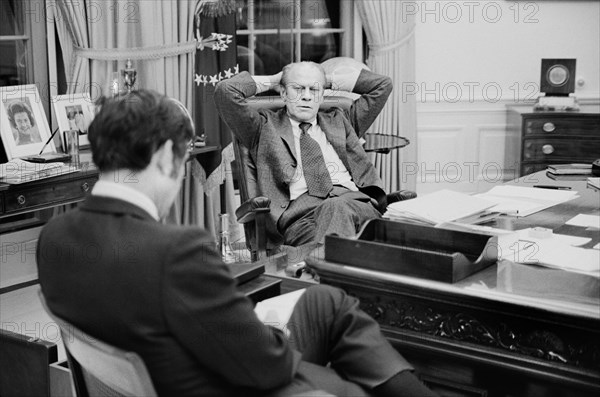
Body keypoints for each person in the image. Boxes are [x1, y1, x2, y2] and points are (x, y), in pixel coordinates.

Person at [36, 89, 437, 397]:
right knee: (348, 383)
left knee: (326, 302)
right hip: (233, 383)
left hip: (193, 359)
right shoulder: (174, 251)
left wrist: (247, 324)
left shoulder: (53, 238)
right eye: (180, 164)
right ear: (162, 157)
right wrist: (266, 330)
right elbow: (264, 368)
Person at [214, 60, 393, 255]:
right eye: (298, 88)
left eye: (314, 90)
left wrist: (327, 80)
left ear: (322, 94)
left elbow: (382, 85)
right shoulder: (262, 128)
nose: (306, 96)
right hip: (302, 220)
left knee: (336, 210)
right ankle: (332, 266)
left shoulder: (342, 120)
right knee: (341, 228)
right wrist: (274, 80)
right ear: (283, 93)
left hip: (357, 206)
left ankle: (317, 267)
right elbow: (225, 91)